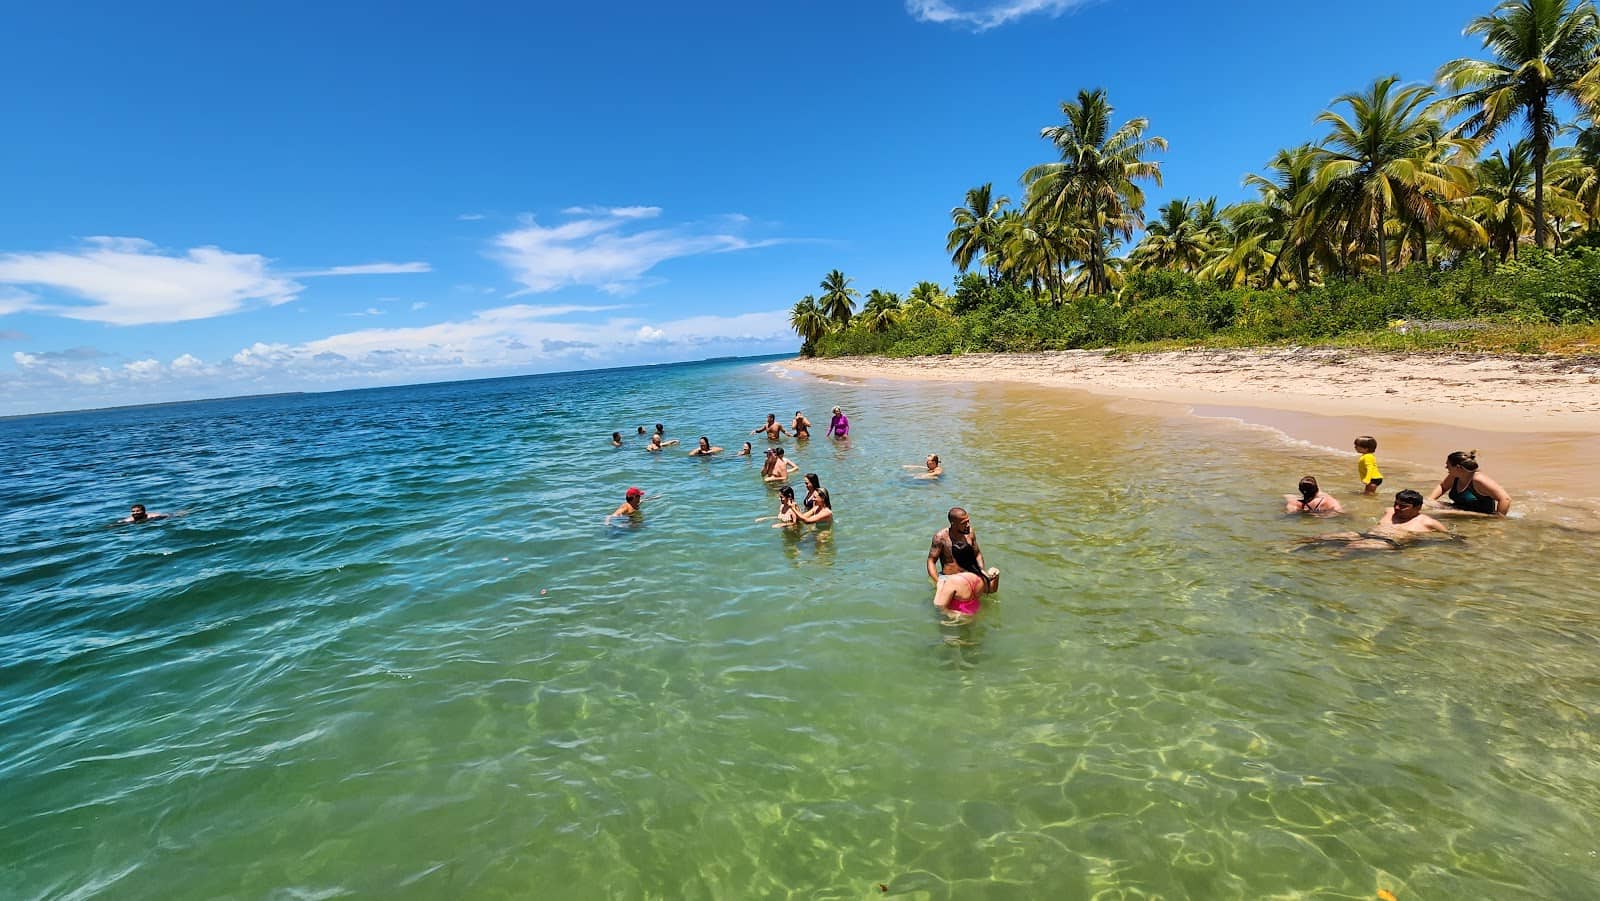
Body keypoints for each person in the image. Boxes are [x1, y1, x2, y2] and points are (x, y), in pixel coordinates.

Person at [1297, 489, 1450, 552]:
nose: (1396, 507)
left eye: (1403, 506)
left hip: (1389, 544)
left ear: (1417, 507)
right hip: (1365, 535)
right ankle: (1286, 548)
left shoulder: (1427, 522)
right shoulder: (1389, 511)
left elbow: (1449, 536)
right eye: (1396, 503)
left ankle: (1318, 566)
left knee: (1351, 547)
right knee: (1322, 537)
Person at [927, 506, 999, 592]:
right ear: (953, 524)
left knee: (992, 584)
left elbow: (977, 554)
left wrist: (981, 571)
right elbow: (931, 561)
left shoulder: (970, 533)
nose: (968, 525)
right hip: (950, 578)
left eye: (968, 521)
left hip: (969, 574)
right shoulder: (940, 538)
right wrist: (938, 582)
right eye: (964, 523)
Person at [1426, 450, 1511, 516]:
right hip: (1457, 510)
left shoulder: (1478, 480)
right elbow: (1443, 486)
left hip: (1479, 516)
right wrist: (1430, 499)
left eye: (1448, 465)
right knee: (1424, 503)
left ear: (1458, 467)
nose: (1446, 467)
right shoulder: (1455, 475)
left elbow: (1505, 499)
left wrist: (1498, 520)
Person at [933, 568, 998, 624]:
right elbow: (991, 590)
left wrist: (939, 587)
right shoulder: (980, 574)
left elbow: (939, 605)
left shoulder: (954, 580)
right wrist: (996, 576)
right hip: (975, 611)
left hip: (957, 617)